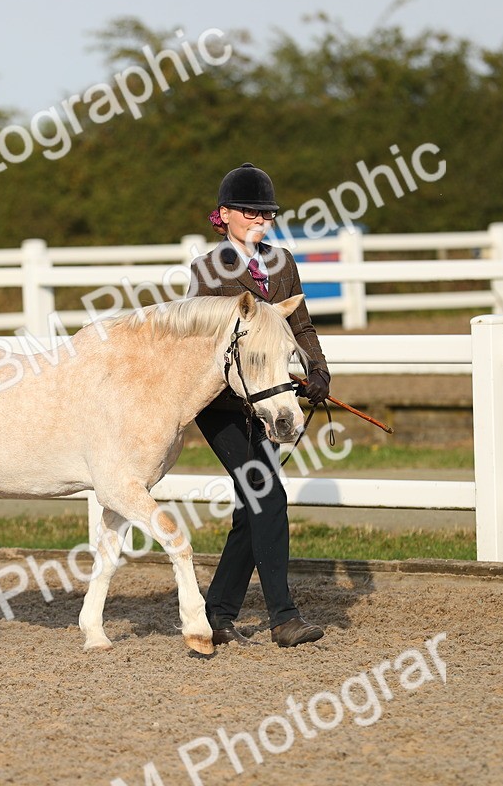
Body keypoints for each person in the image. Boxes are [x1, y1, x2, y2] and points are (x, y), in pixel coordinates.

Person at [186, 162, 331, 648]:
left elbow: (300, 324)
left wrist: (317, 370)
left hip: (267, 402)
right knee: (268, 495)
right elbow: (202, 343)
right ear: (224, 214)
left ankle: (218, 613)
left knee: (253, 508)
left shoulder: (282, 263)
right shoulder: (207, 271)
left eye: (266, 213)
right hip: (223, 406)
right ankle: (283, 618)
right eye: (249, 212)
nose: (260, 220)